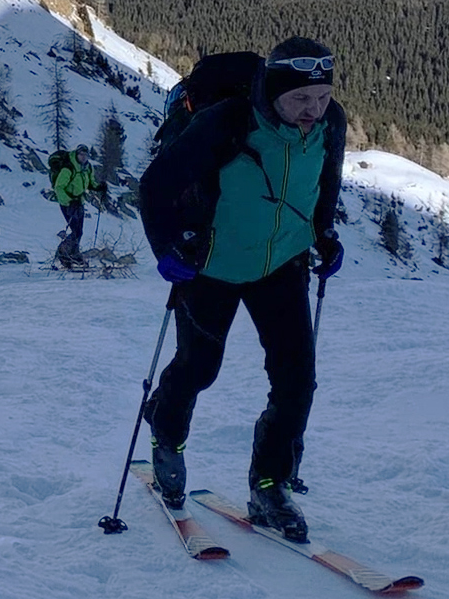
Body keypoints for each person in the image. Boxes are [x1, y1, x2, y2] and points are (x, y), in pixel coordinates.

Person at [137, 37, 346, 542]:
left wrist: (323, 235)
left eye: (320, 98)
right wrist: (167, 246)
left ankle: (270, 485)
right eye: (301, 99)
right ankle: (167, 435)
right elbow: (154, 187)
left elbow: (324, 184)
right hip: (212, 264)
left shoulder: (331, 123)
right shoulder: (227, 122)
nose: (312, 111)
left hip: (282, 263)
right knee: (198, 368)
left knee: (297, 382)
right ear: (273, 91)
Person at [52, 146, 100, 268]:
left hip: (79, 201)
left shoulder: (87, 168)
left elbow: (90, 182)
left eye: (86, 155)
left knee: (79, 230)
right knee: (76, 230)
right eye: (81, 155)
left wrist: (98, 187)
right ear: (76, 154)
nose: (83, 157)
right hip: (68, 203)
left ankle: (71, 254)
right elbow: (59, 187)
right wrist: (68, 201)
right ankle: (65, 254)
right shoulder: (69, 168)